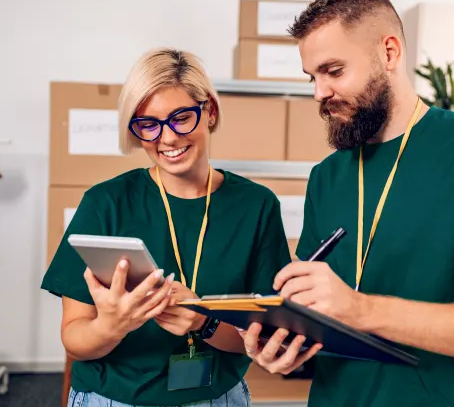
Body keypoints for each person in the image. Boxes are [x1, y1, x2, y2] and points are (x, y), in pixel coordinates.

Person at [240, 0, 454, 407]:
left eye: (334, 71)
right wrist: (285, 349)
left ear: (389, 53)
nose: (319, 93)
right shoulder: (326, 176)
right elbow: (323, 325)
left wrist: (359, 308)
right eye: (312, 77)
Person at [41, 47, 291, 406]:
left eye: (181, 118)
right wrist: (110, 326)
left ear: (210, 112)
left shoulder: (256, 206)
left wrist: (202, 322)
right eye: (149, 125)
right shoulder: (104, 204)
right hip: (112, 398)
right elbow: (73, 337)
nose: (168, 138)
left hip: (216, 398)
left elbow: (263, 338)